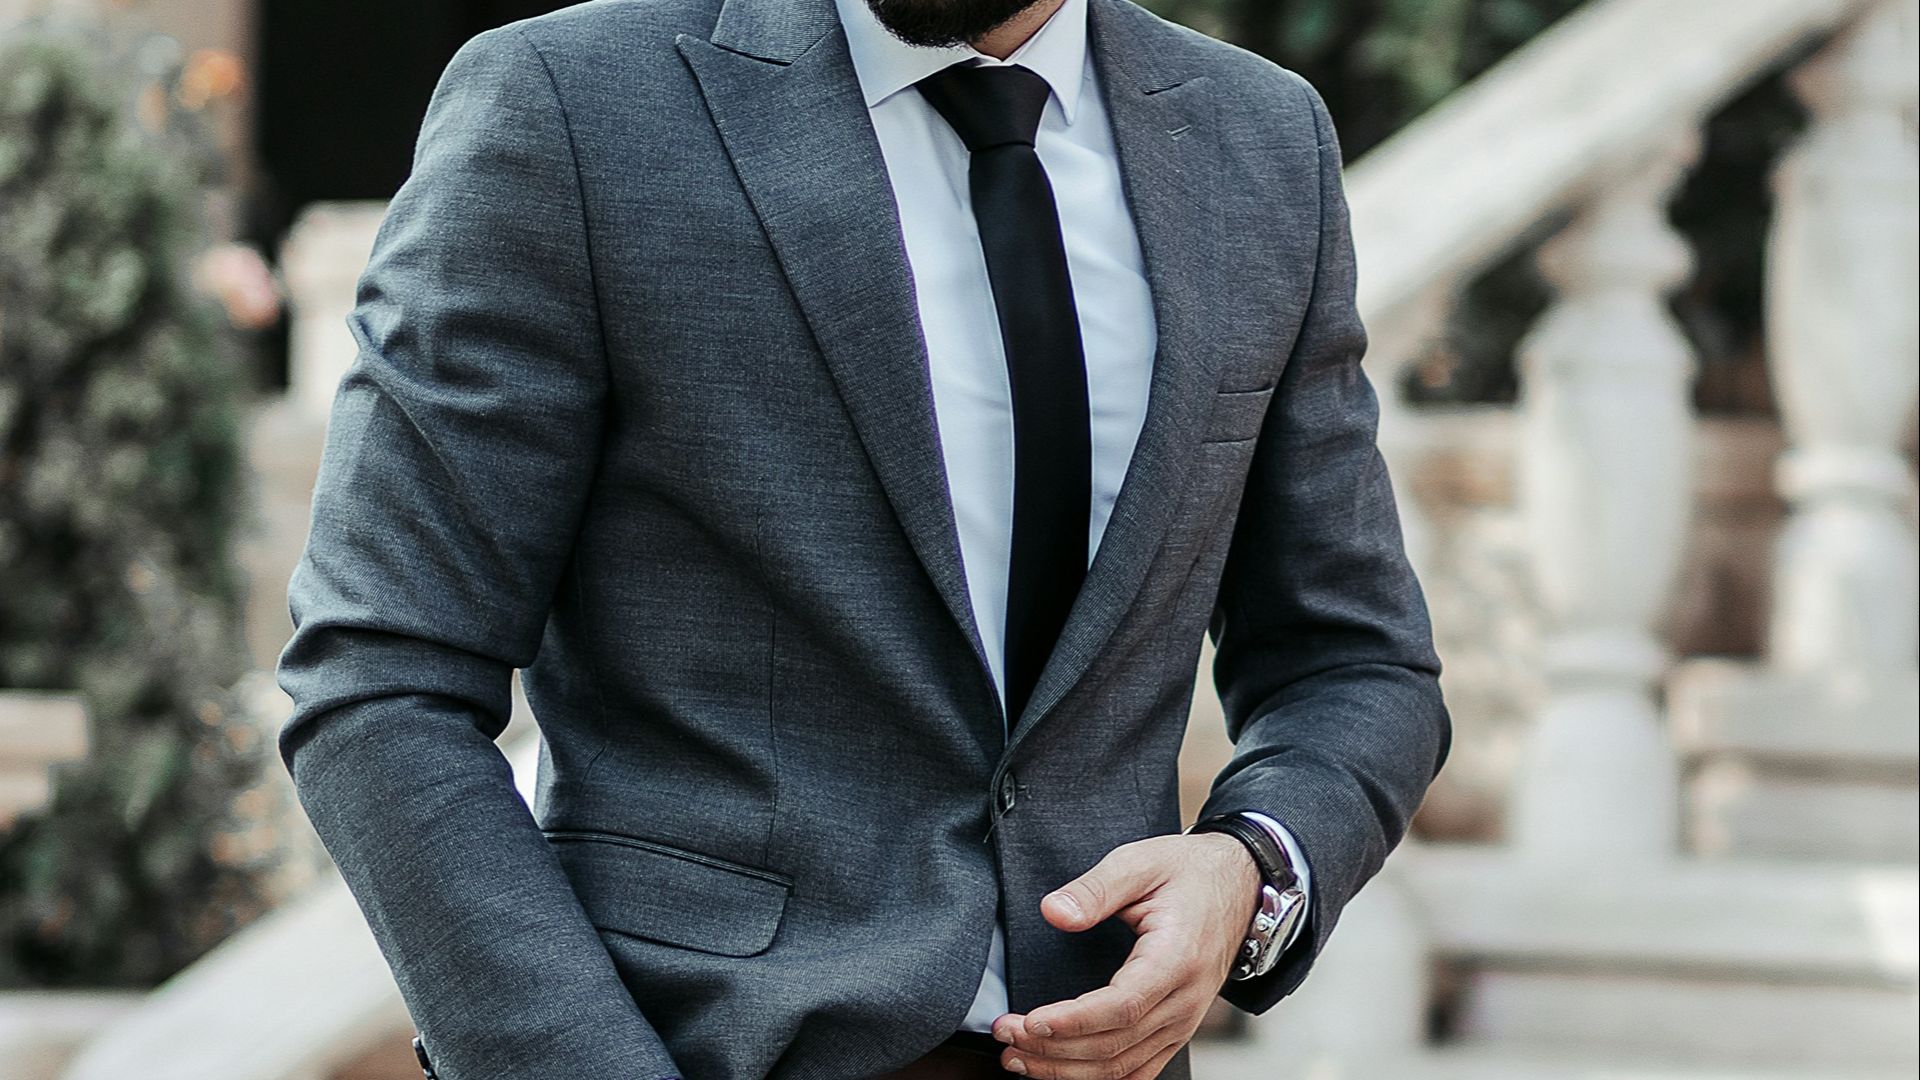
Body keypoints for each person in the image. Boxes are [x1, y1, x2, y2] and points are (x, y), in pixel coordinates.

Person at [275, 0, 1450, 1075]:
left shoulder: (1261, 144)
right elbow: (382, 673)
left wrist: (1250, 867)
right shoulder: (569, 107)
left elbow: (1355, 661)